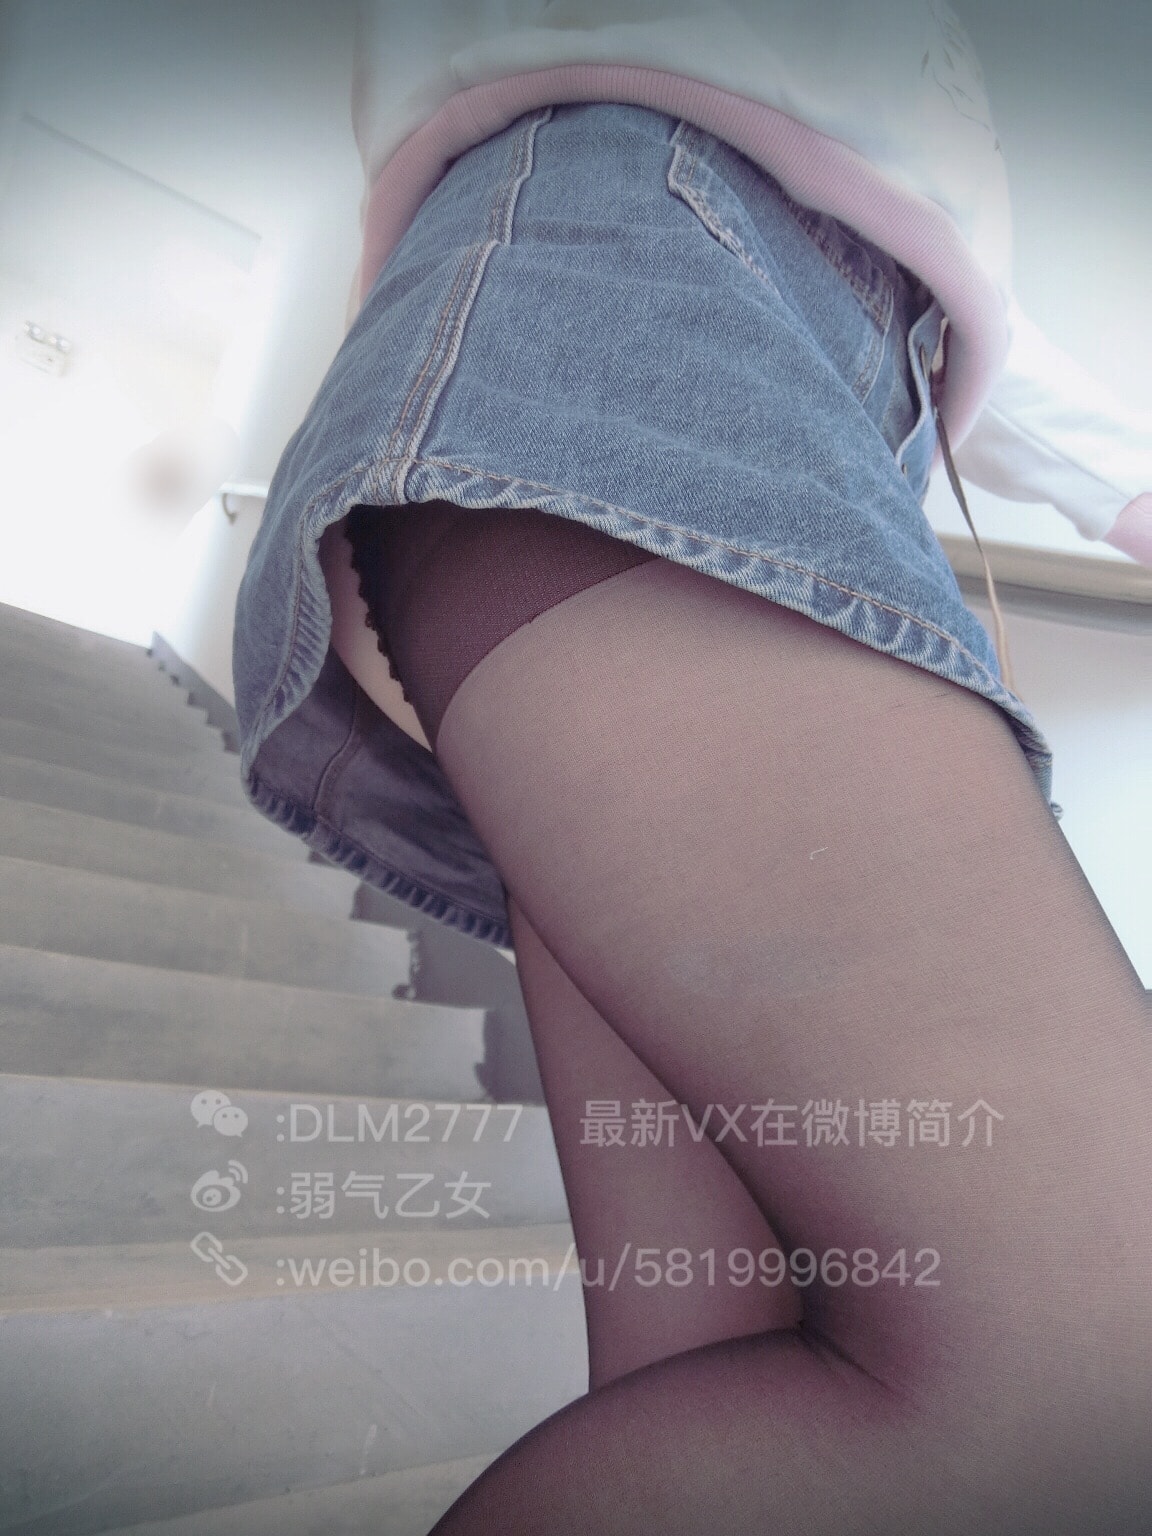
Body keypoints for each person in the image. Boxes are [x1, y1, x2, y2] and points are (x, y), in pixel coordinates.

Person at [232, 3, 1151, 1531]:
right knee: (1094, 1338)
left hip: (771, 365)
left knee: (724, 1356)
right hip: (635, 273)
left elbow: (933, 267)